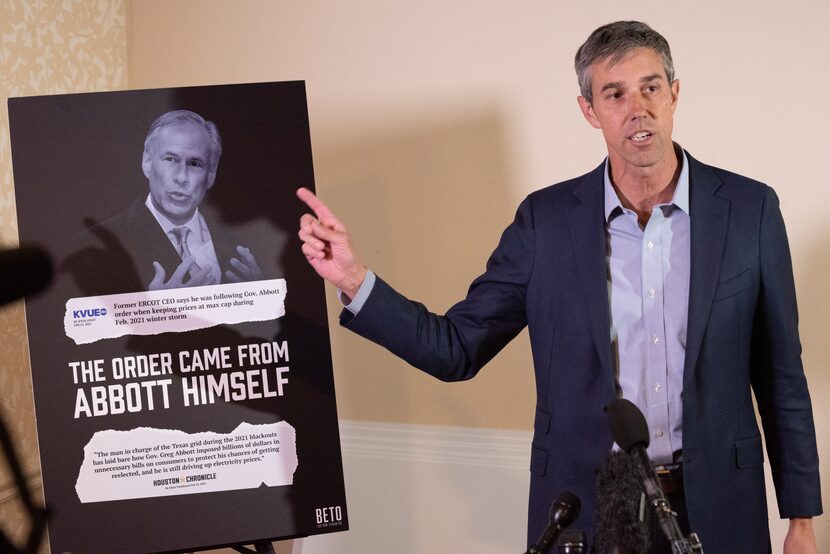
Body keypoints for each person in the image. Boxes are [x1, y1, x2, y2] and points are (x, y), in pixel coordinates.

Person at [297, 21, 821, 553]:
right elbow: (455, 349)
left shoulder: (749, 211)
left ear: (675, 93)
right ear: (589, 111)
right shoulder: (545, 223)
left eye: (651, 87)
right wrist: (354, 281)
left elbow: (782, 377)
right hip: (589, 513)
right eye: (614, 93)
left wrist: (801, 521)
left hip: (720, 509)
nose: (637, 107)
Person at [70, 110, 263, 295]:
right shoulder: (93, 247)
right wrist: (155, 312)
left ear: (211, 174)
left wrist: (262, 301)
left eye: (195, 163)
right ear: (147, 161)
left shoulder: (245, 248)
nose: (181, 177)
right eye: (170, 159)